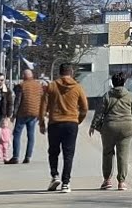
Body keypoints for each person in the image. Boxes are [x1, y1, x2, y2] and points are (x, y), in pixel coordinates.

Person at [39, 62, 88, 192]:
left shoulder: (52, 86)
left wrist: (41, 122)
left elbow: (43, 105)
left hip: (55, 123)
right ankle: (66, 183)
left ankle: (55, 175)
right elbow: (84, 108)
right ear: (71, 72)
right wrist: (78, 120)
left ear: (59, 73)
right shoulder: (77, 87)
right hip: (71, 123)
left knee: (53, 151)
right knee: (68, 153)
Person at [90, 72, 132, 191]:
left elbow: (99, 112)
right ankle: (121, 182)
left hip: (109, 127)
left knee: (107, 153)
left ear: (112, 83)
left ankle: (107, 180)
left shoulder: (107, 96)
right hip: (126, 127)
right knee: (123, 155)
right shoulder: (130, 96)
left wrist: (93, 125)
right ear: (124, 82)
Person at [9, 69, 43, 165]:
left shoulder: (22, 86)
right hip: (34, 113)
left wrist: (14, 115)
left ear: (24, 76)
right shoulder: (38, 85)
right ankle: (28, 157)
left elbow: (18, 101)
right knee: (31, 135)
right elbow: (42, 99)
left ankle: (15, 157)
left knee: (17, 134)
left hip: (22, 113)